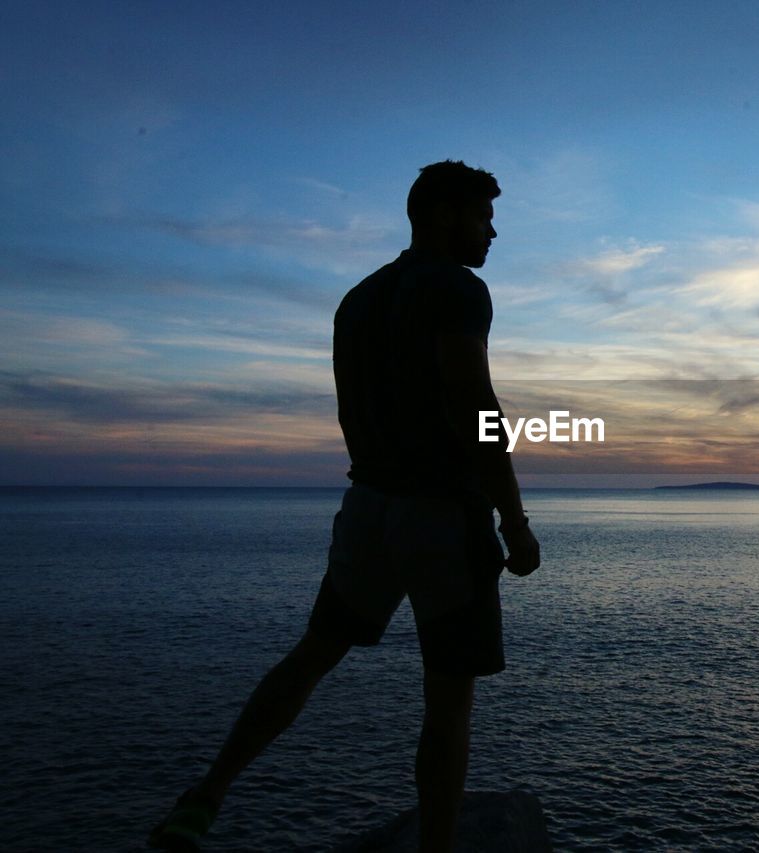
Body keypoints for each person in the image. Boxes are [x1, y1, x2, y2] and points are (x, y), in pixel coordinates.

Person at [148, 160, 541, 853]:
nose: (493, 232)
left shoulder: (356, 300)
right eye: (484, 217)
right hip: (441, 518)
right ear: (445, 215)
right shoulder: (459, 288)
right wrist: (514, 520)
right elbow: (475, 407)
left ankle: (205, 794)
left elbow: (351, 409)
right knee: (449, 703)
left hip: (366, 509)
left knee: (311, 656)